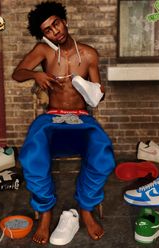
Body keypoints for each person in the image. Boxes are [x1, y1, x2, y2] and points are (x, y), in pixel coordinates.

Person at [12, 1, 115, 244]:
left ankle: (86, 209)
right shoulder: (43, 51)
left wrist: (94, 90)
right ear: (44, 34)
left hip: (81, 118)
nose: (54, 31)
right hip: (51, 118)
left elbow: (99, 96)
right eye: (47, 29)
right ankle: (45, 212)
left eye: (56, 23)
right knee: (31, 154)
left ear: (64, 21)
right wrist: (35, 73)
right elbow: (17, 73)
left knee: (104, 155)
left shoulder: (89, 54)